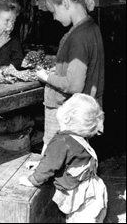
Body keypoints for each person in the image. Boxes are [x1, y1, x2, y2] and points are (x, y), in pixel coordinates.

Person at [36, 0, 105, 155]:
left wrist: (46, 77)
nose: (54, 17)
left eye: (53, 10)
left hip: (66, 112)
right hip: (83, 112)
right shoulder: (91, 27)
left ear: (66, 2)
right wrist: (58, 70)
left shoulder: (78, 37)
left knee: (54, 159)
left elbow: (74, 85)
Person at [19, 93, 108, 223]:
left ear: (66, 118)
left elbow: (50, 165)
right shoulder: (79, 137)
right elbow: (65, 160)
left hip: (82, 198)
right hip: (93, 190)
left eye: (65, 104)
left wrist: (32, 180)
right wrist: (40, 164)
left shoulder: (61, 141)